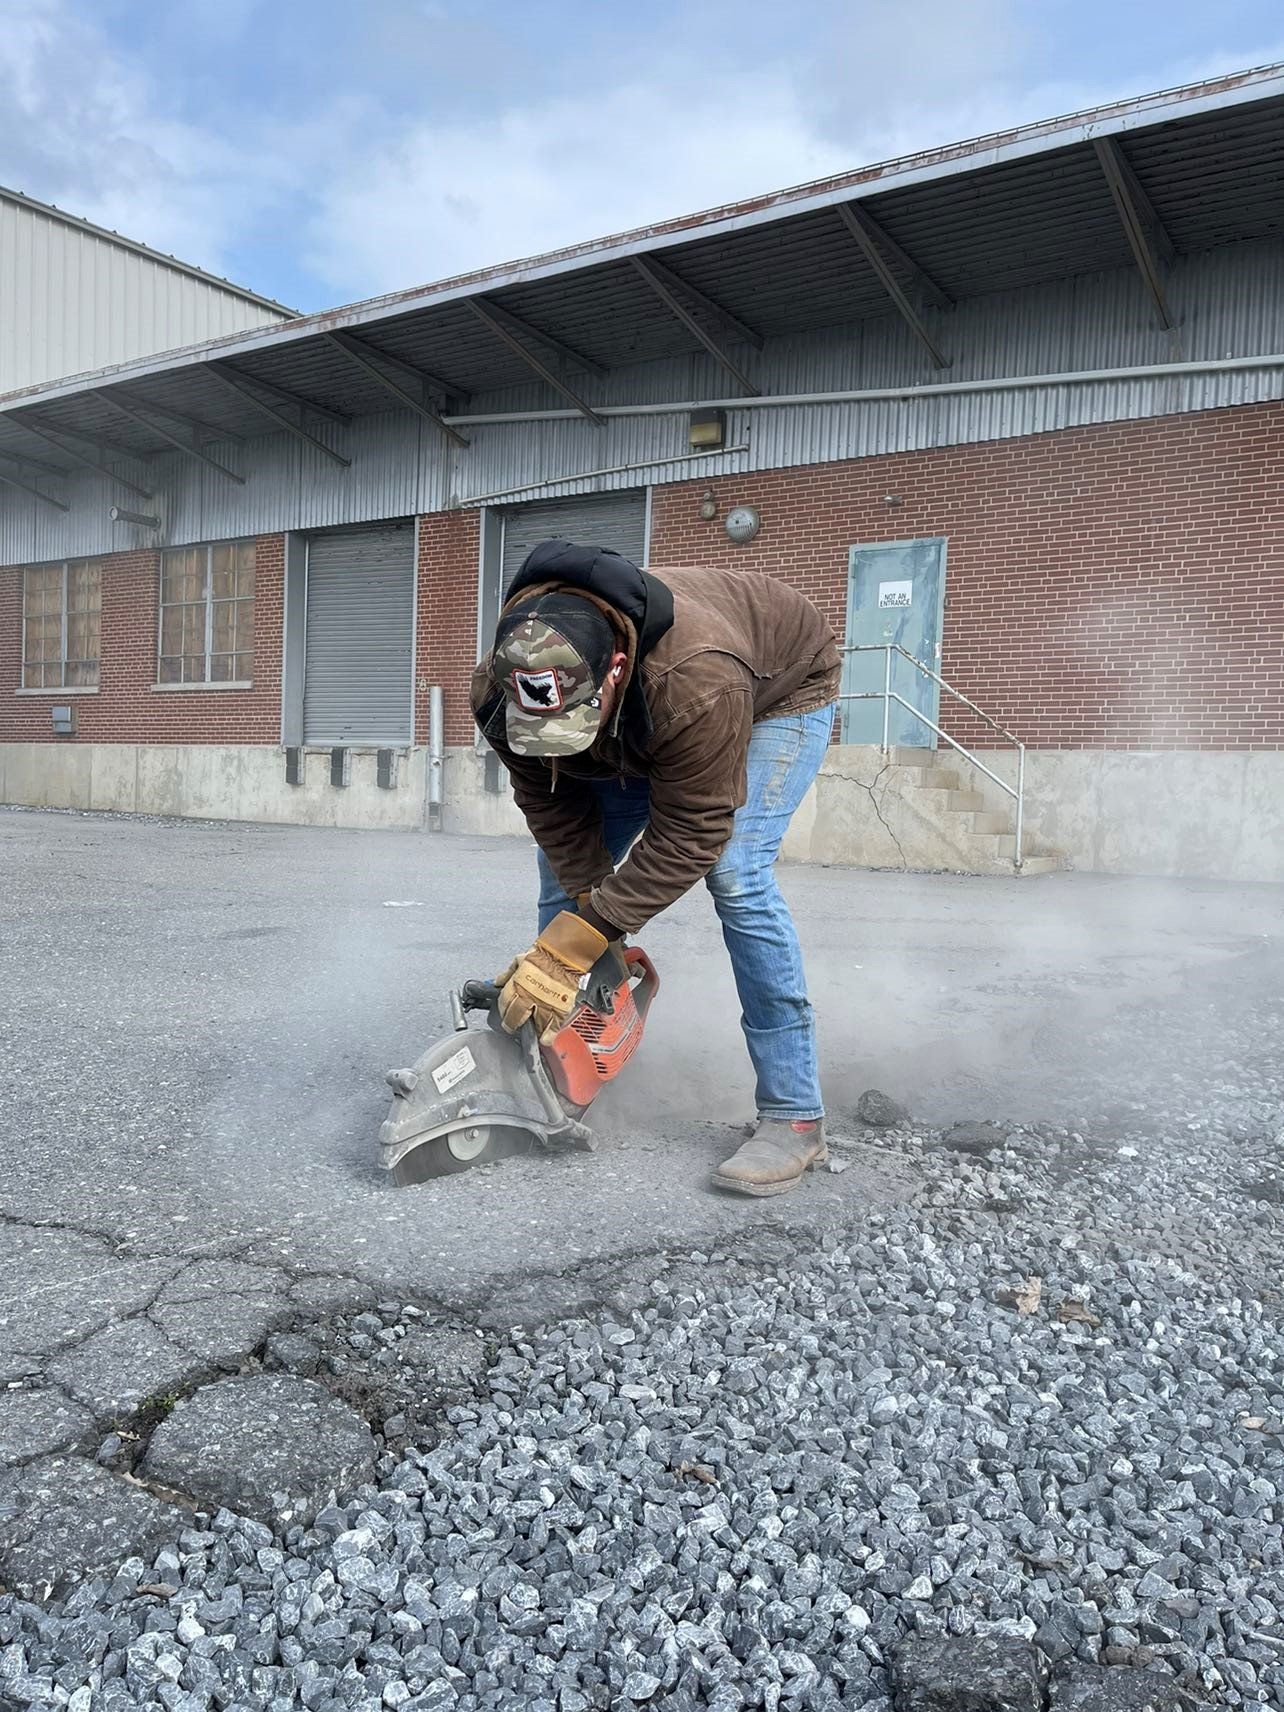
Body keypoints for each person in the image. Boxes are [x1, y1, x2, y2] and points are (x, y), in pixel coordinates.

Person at [471, 537, 840, 1196]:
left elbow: (693, 830)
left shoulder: (694, 681)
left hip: (775, 687)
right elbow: (552, 807)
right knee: (567, 883)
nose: (557, 743)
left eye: (573, 722)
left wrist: (584, 937)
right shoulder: (504, 689)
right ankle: (565, 1065)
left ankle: (794, 1116)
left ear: (613, 670)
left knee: (735, 872)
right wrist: (580, 934)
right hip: (640, 722)